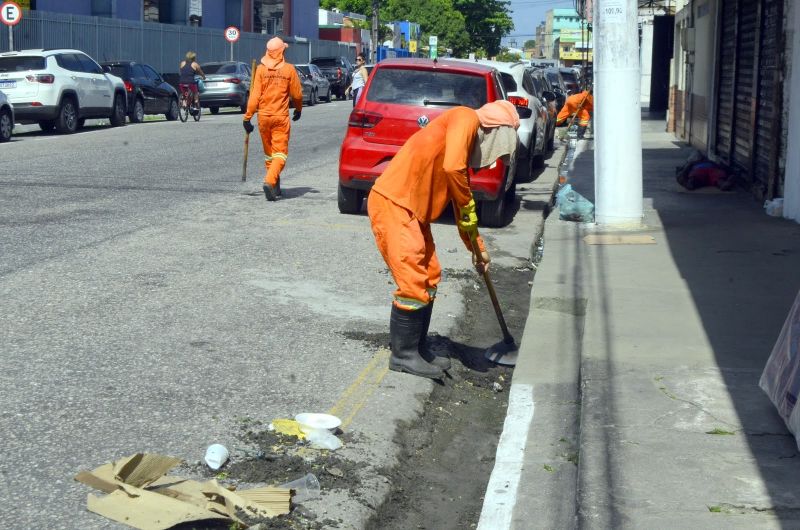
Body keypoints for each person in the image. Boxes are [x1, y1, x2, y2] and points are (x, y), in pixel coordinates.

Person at [368, 101, 520, 380]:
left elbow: (463, 211)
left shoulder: (456, 147)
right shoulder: (465, 117)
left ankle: (417, 347)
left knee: (430, 274)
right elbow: (454, 171)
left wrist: (478, 250)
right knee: (413, 281)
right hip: (394, 204)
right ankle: (403, 355)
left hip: (412, 211)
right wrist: (470, 209)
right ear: (495, 130)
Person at [243, 37, 303, 201]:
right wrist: (298, 109)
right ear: (282, 51)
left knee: (270, 154)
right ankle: (269, 182)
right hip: (280, 118)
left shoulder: (261, 70)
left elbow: (255, 96)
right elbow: (297, 94)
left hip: (263, 117)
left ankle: (275, 185)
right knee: (280, 154)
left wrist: (247, 118)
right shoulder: (289, 69)